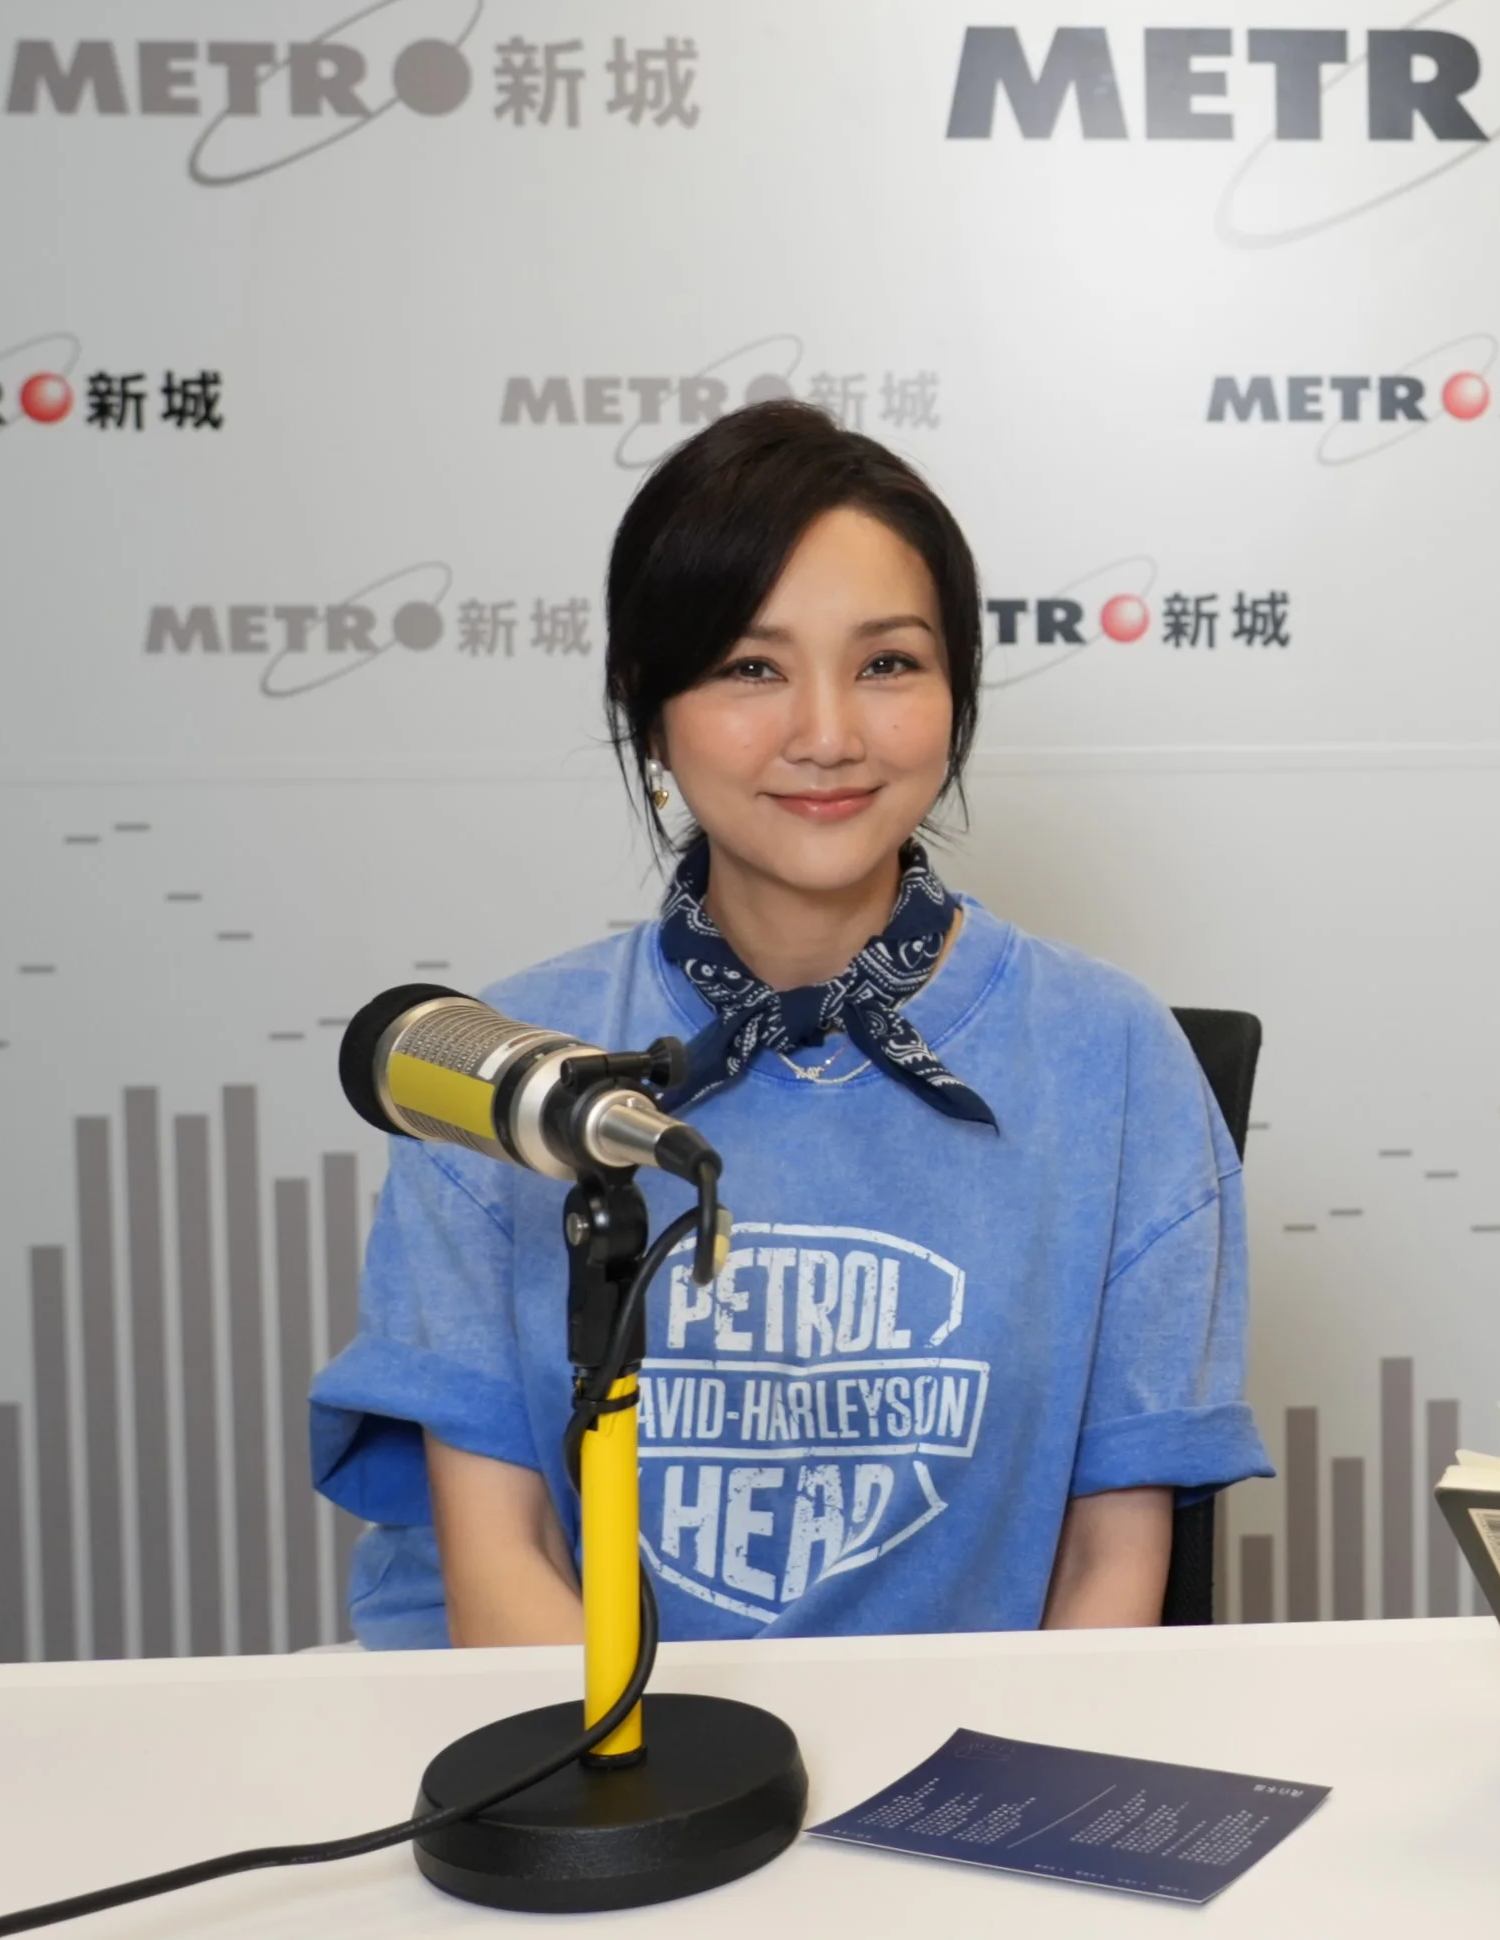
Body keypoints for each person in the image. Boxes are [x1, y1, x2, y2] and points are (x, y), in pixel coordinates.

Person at [313, 401, 1266, 1645]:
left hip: (972, 1752)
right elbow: (501, 1568)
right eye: (750, 668)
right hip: (590, 1745)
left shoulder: (1114, 1056)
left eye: (888, 663)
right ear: (648, 705)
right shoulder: (506, 1071)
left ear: (957, 691)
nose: (826, 735)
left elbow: (1109, 1572)